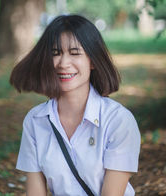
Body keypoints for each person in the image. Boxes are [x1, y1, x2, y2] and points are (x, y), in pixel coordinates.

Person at [10, 14, 140, 196]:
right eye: (55, 53)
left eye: (74, 53)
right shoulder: (35, 121)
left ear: (93, 60)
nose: (63, 63)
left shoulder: (118, 120)